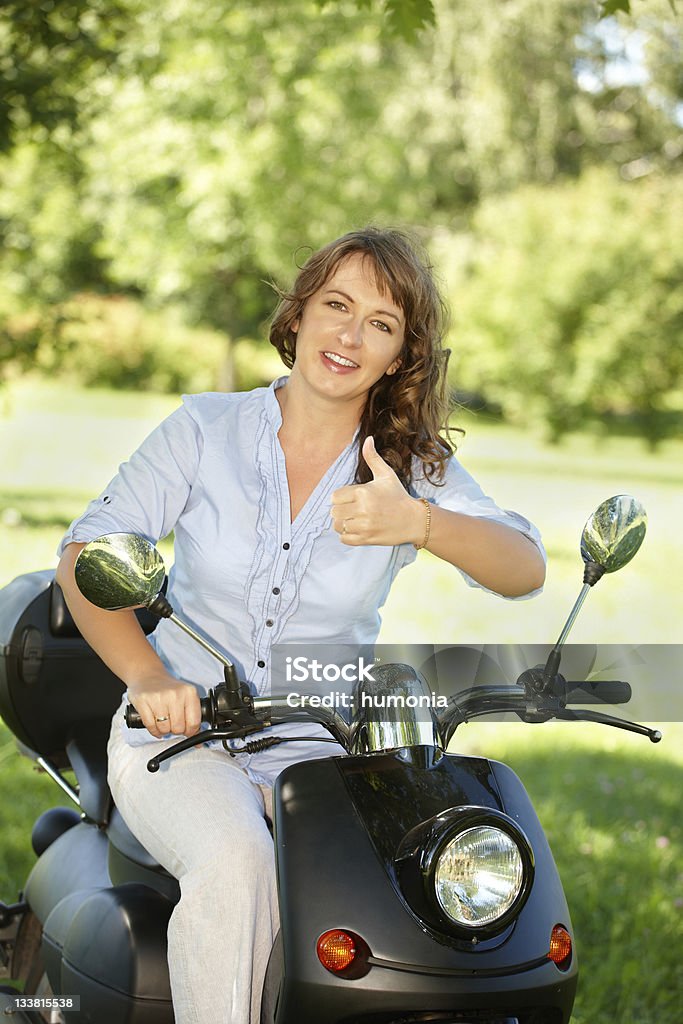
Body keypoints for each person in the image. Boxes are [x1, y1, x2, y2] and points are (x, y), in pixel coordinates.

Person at [56, 227, 546, 1024]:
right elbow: (85, 553)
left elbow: (524, 568)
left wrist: (417, 522)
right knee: (237, 859)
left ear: (400, 355)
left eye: (380, 324)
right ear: (299, 315)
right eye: (336, 306)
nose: (350, 336)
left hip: (319, 754)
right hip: (177, 740)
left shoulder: (406, 468)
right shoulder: (204, 429)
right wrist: (148, 676)